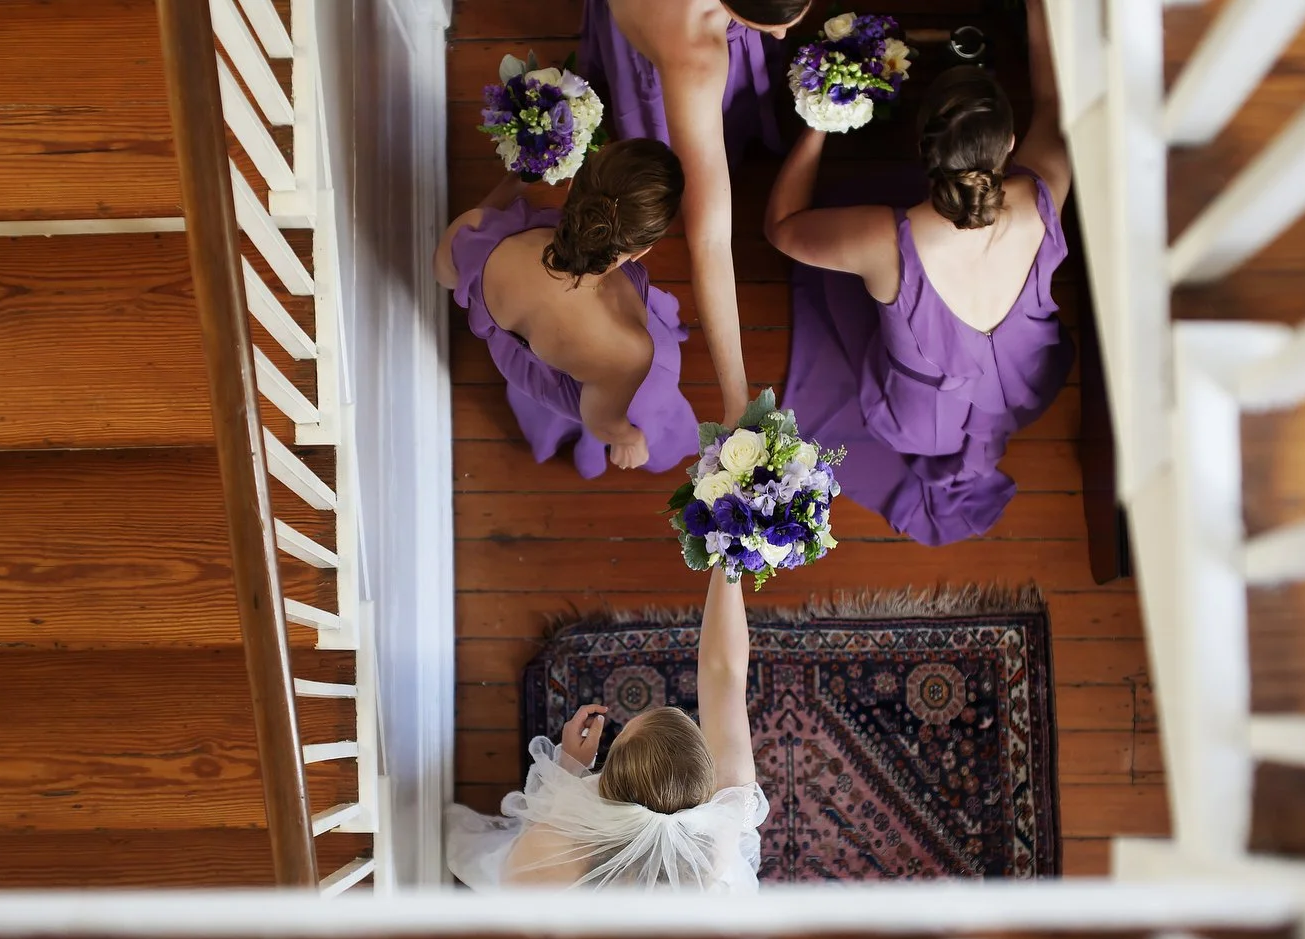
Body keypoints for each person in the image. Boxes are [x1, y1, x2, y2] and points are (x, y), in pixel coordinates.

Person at [763, 0, 1074, 545]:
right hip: (1025, 388)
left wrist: (819, 121)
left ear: (922, 149)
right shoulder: (1043, 194)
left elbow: (782, 227)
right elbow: (1052, 100)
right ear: (1008, 144)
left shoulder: (885, 241)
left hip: (922, 422)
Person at [445, 575, 766, 890]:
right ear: (705, 779)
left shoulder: (546, 855)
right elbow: (724, 670)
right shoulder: (723, 832)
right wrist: (730, 556)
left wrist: (568, 766)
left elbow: (514, 897)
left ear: (610, 788)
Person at [577, 0, 814, 428]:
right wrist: (736, 397)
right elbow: (709, 240)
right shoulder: (694, 60)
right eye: (766, 24)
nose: (780, 36)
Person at [435, 139, 698, 477]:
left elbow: (444, 274)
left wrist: (512, 183)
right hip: (599, 381)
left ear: (573, 184)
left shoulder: (476, 231)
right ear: (643, 250)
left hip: (519, 355)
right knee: (648, 397)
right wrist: (628, 438)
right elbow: (601, 419)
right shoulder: (627, 349)